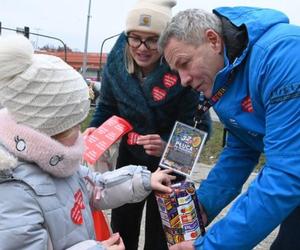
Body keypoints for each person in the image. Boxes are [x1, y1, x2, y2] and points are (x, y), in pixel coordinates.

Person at [0, 35, 176, 250]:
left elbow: (96, 186)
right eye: (74, 125)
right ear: (49, 127)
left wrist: (144, 180)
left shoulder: (57, 161)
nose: (81, 132)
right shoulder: (14, 190)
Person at [158, 6, 300, 250]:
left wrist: (211, 246)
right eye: (176, 71)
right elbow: (241, 150)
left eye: (184, 63)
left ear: (213, 40)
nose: (183, 80)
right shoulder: (225, 77)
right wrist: (201, 208)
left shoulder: (283, 56)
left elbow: (286, 174)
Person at [88, 0, 212, 249]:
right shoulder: (116, 64)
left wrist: (166, 145)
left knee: (161, 235)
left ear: (166, 40)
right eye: (135, 38)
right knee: (123, 227)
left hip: (170, 167)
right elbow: (107, 107)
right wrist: (96, 129)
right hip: (129, 159)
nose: (141, 48)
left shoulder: (182, 68)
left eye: (152, 40)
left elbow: (198, 127)